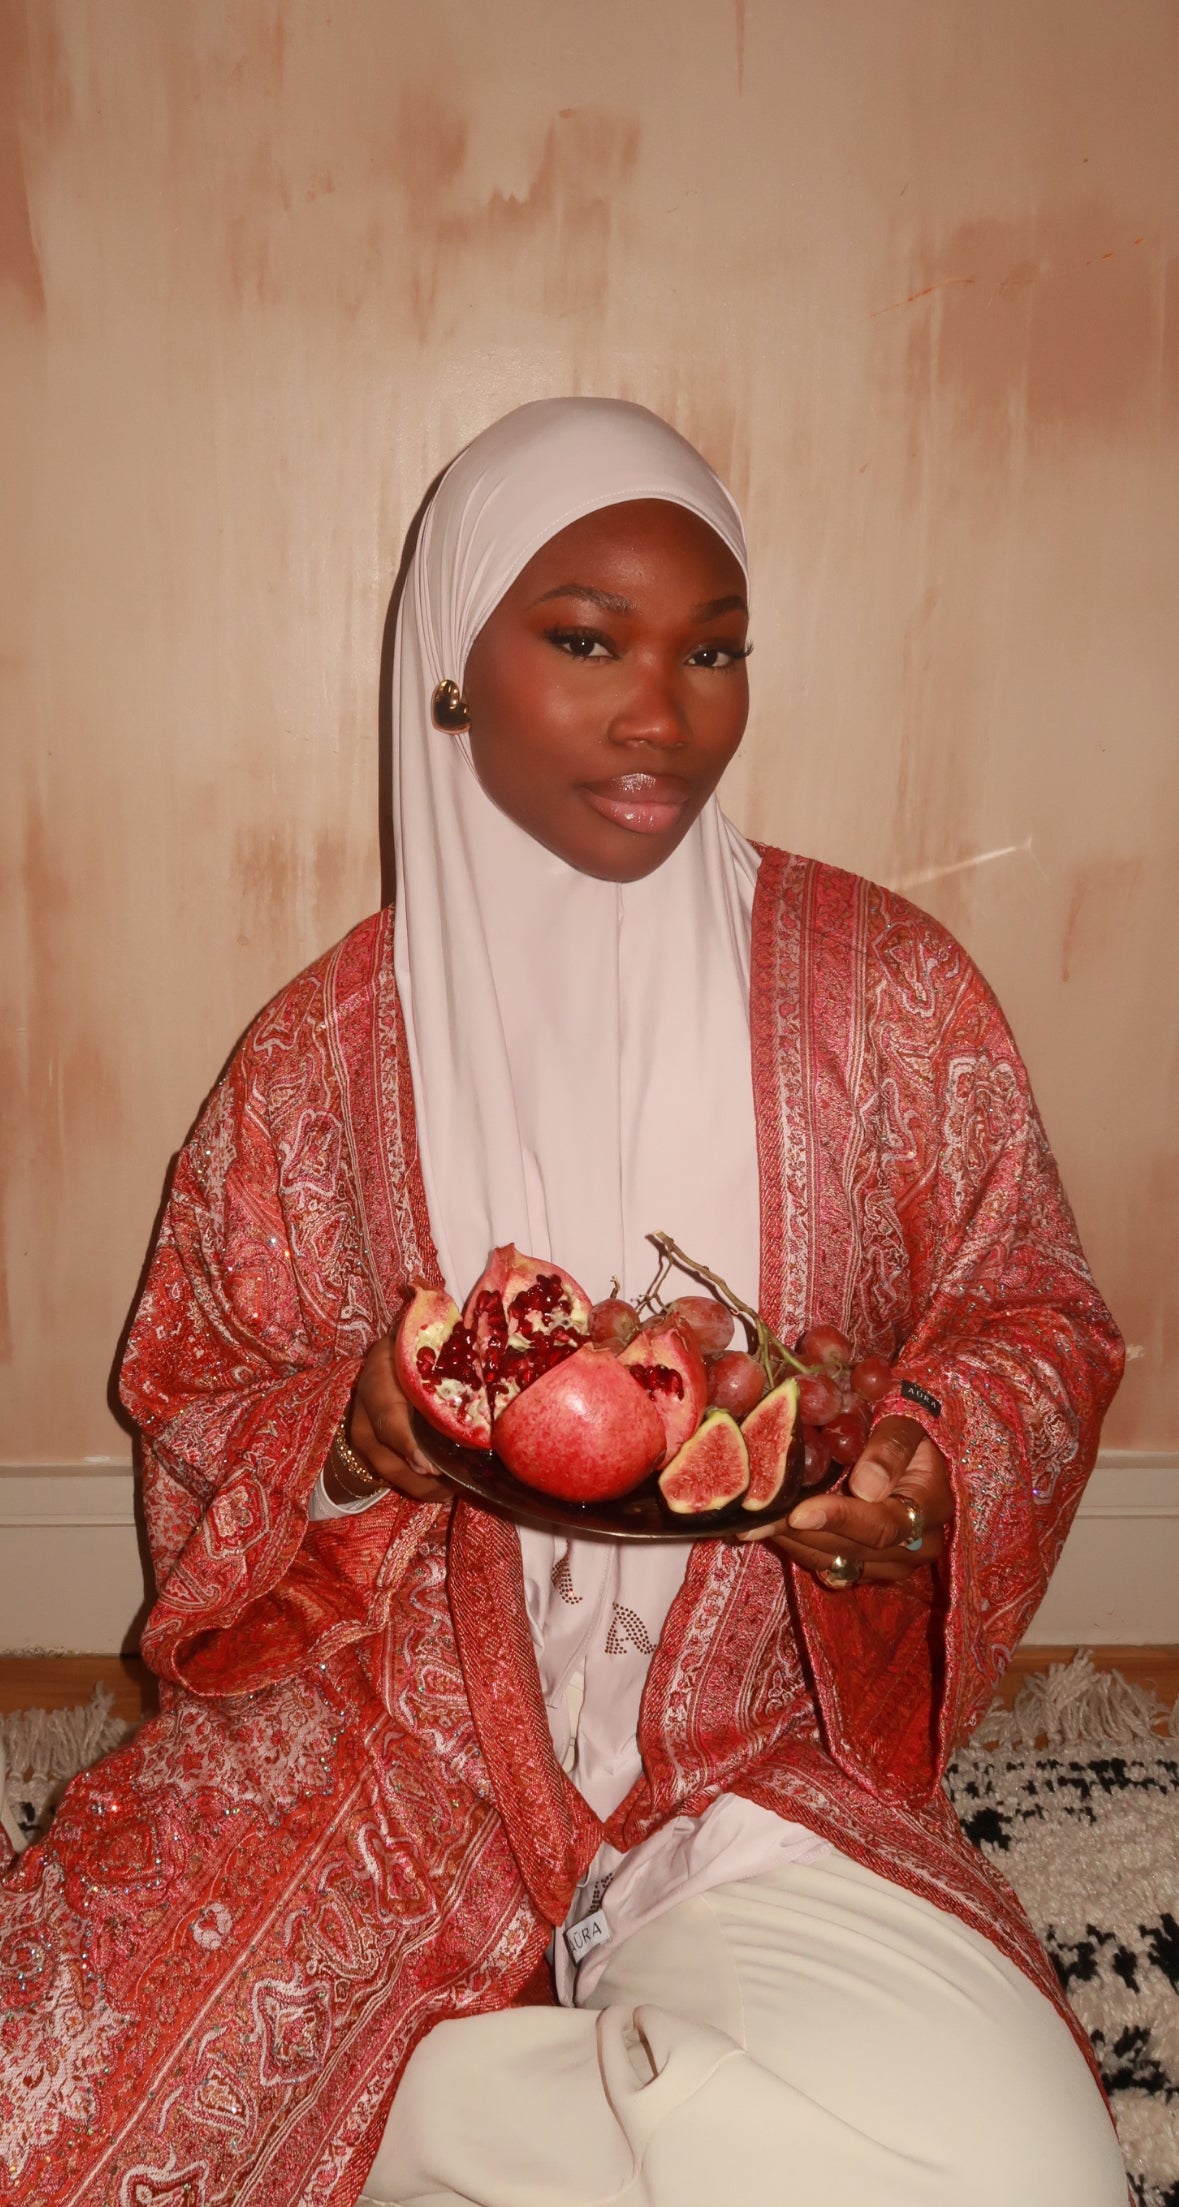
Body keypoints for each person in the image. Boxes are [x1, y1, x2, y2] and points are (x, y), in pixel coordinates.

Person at [0, 400, 1127, 2207]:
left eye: (714, 650)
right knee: (48, 2121)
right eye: (586, 640)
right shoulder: (318, 1061)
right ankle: (553, 2092)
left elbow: (1034, 1309)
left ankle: (440, 2114)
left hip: (762, 1769)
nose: (662, 713)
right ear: (452, 670)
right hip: (387, 1750)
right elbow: (198, 1386)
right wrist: (352, 1436)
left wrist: (921, 1463)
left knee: (1022, 2178)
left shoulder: (887, 996)